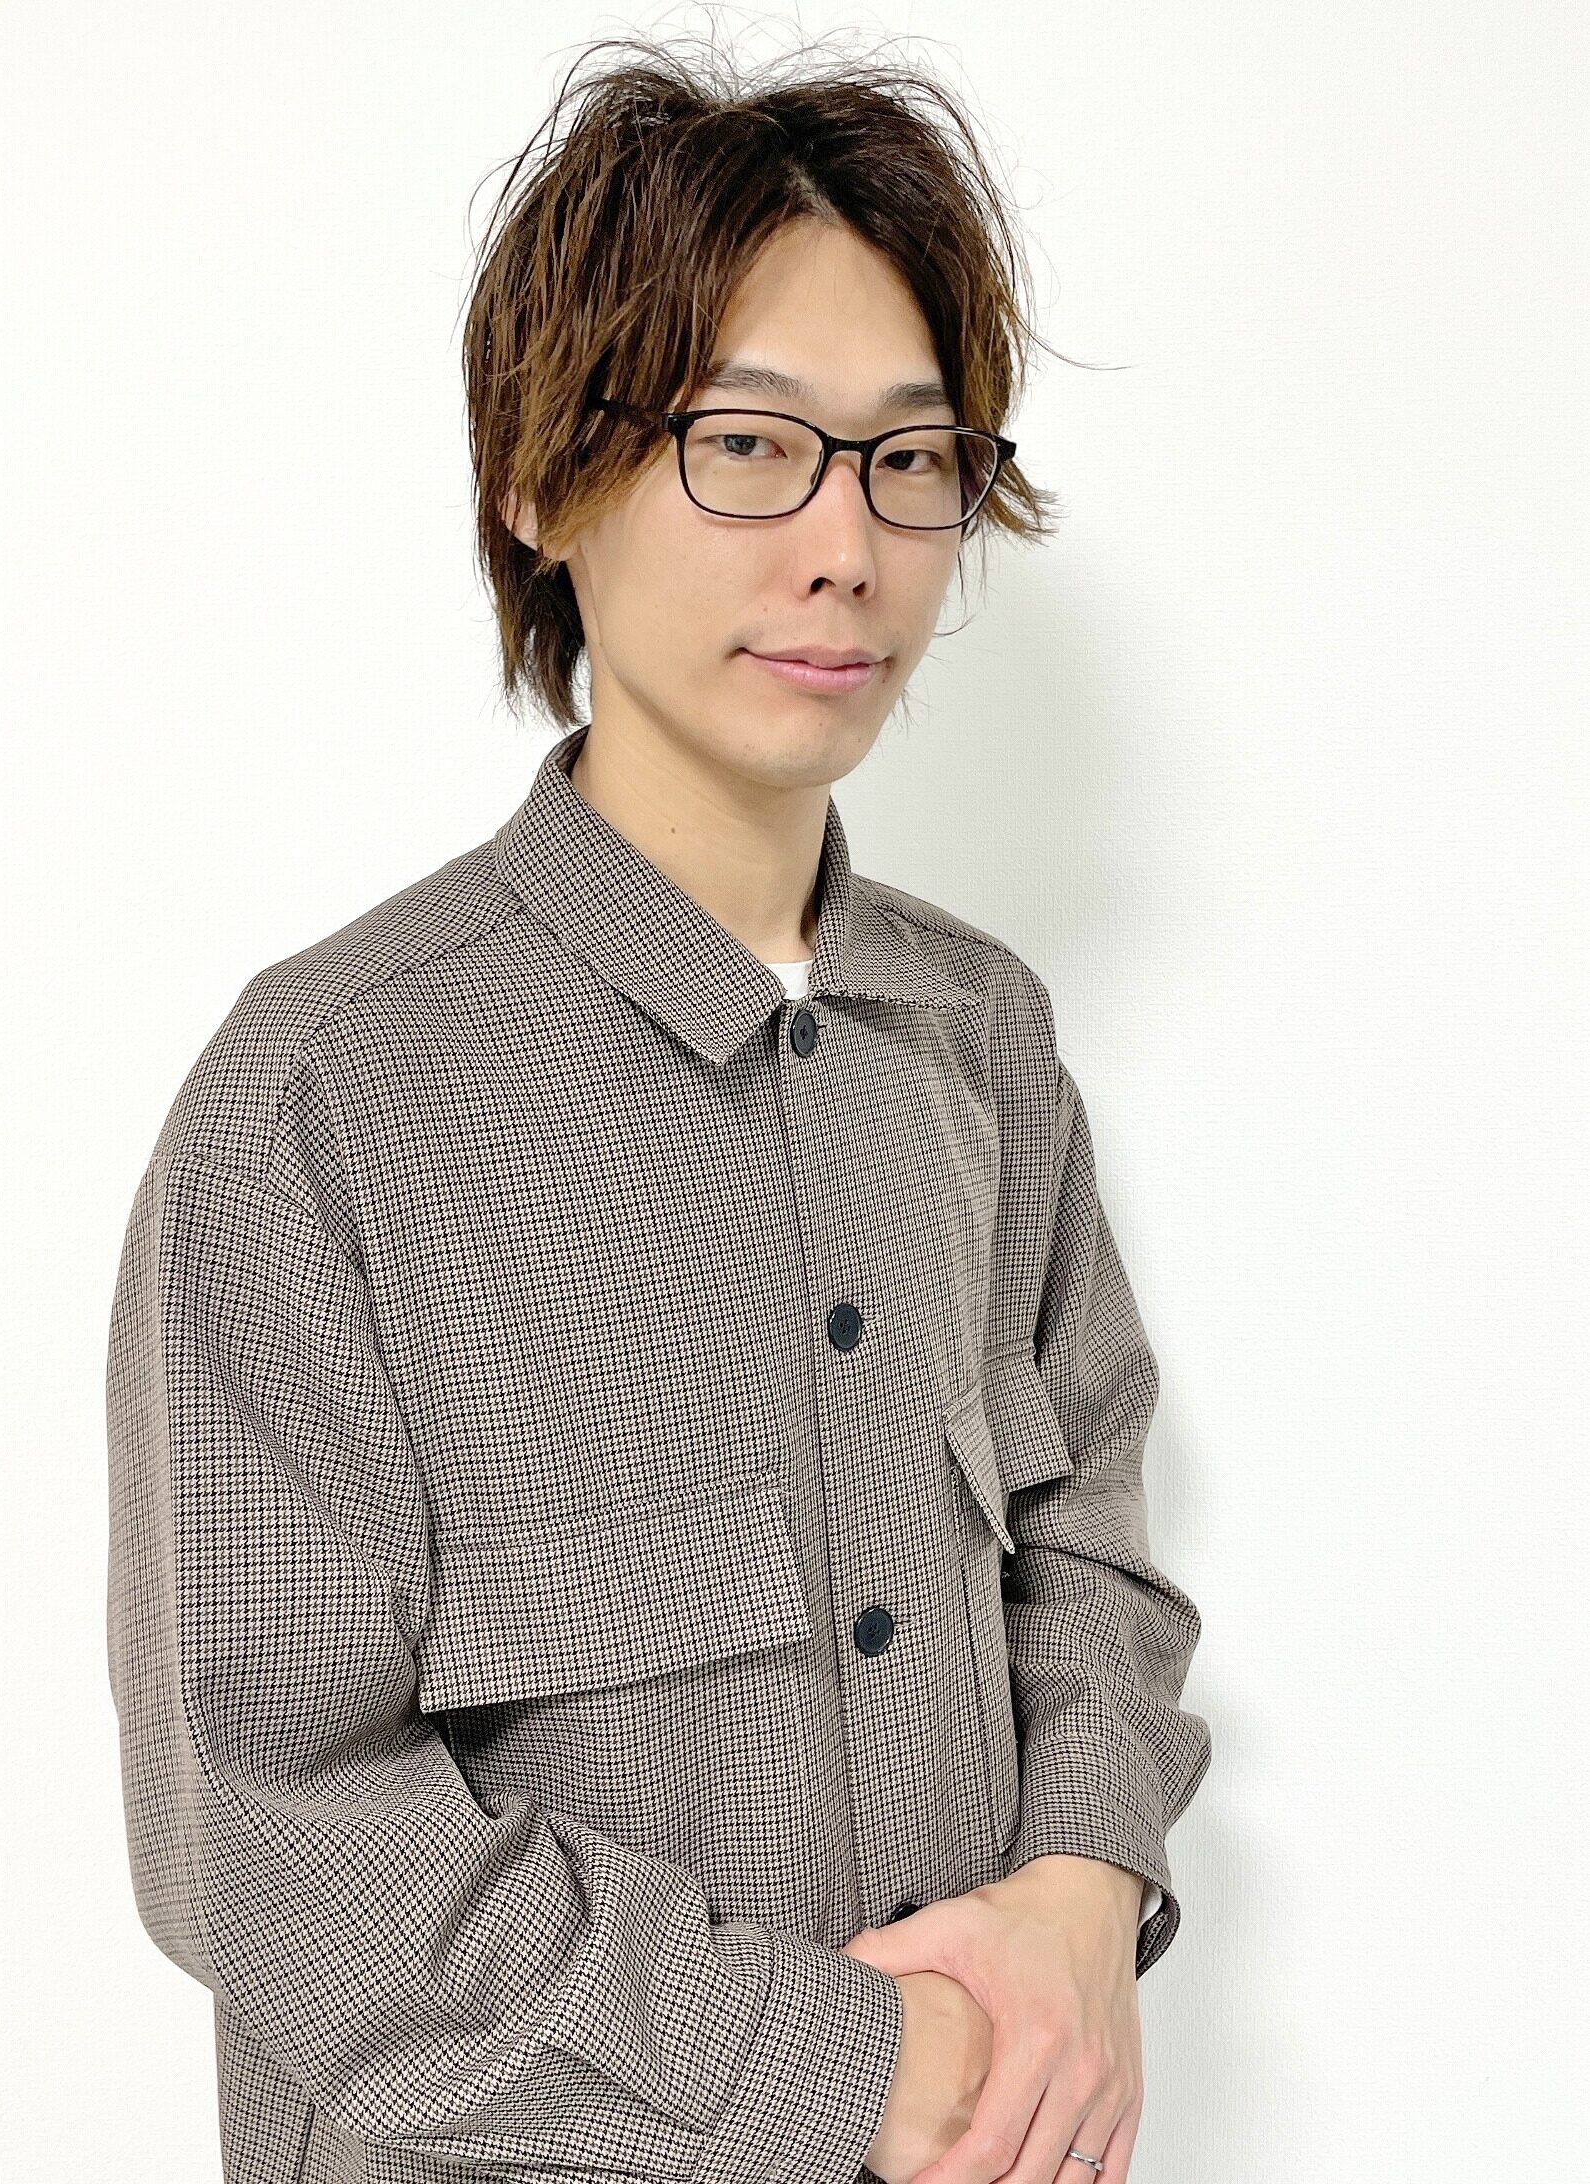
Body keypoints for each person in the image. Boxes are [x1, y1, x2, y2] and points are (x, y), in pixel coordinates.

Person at [105, 32, 1211, 2184]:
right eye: (746, 446)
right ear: (542, 482)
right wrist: (845, 2068)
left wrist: (1085, 1884)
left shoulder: (980, 1040)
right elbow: (266, 1835)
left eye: (908, 459)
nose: (846, 547)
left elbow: (1083, 1533)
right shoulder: (321, 1101)